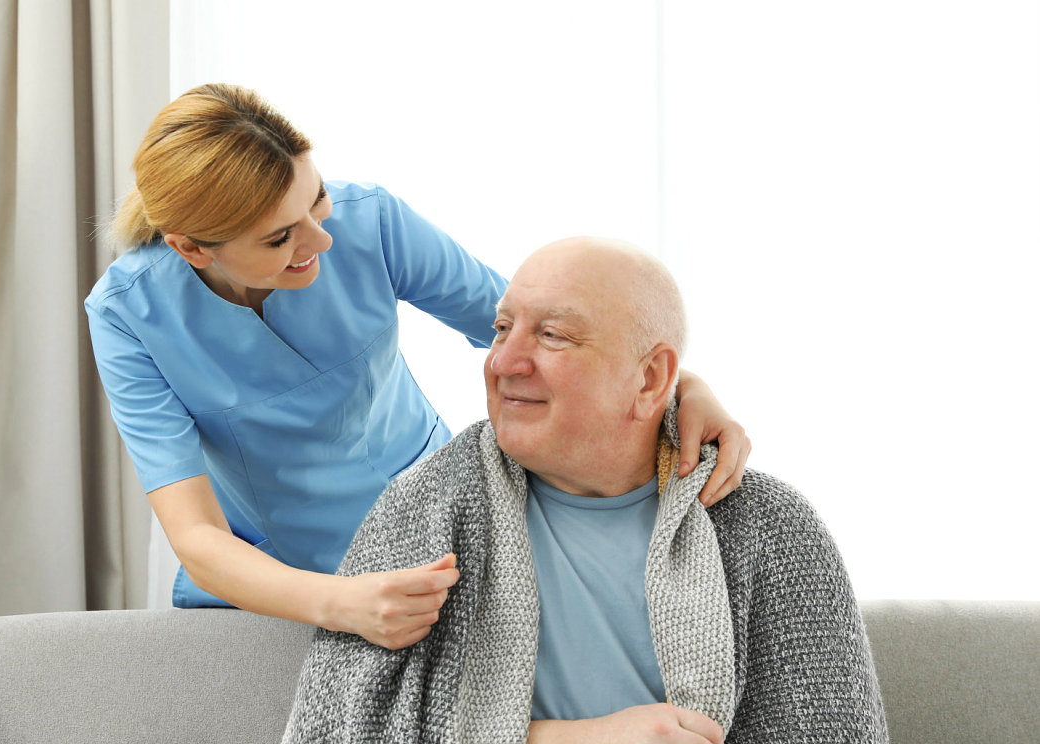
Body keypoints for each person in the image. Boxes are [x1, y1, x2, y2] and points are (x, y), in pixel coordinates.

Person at [253, 238, 901, 744]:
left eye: (553, 335)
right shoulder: (419, 514)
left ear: (649, 379)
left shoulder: (770, 529)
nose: (503, 360)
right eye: (501, 328)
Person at [85, 83, 751, 648]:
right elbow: (196, 534)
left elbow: (532, 334)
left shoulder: (368, 221)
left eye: (314, 199)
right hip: (278, 581)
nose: (321, 239)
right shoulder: (128, 315)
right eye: (278, 237)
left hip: (435, 531)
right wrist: (338, 603)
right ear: (191, 248)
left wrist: (674, 385)